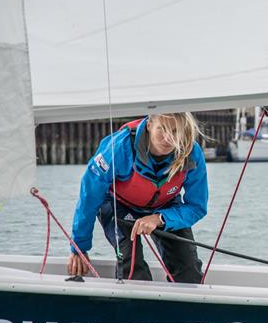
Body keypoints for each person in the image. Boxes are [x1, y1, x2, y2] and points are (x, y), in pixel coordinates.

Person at [67, 113, 208, 283]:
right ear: (149, 125)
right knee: (132, 268)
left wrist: (160, 219)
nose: (168, 138)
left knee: (189, 273)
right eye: (161, 129)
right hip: (118, 204)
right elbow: (89, 196)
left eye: (175, 131)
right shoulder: (119, 148)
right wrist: (79, 248)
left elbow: (197, 207)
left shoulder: (191, 154)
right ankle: (135, 308)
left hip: (165, 208)